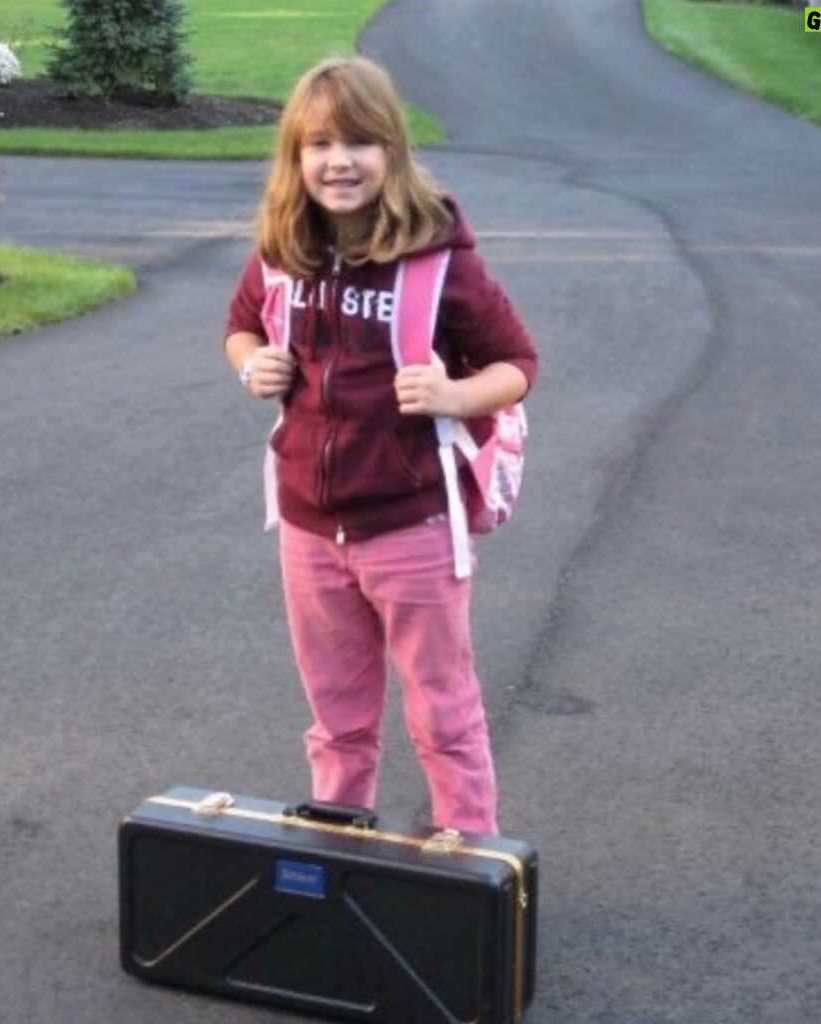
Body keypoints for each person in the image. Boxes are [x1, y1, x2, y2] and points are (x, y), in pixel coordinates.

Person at [223, 56, 537, 836]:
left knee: (443, 713)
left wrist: (455, 395)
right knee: (335, 716)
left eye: (359, 142)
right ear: (295, 157)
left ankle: (470, 865)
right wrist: (249, 363)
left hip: (412, 529)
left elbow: (518, 364)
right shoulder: (282, 247)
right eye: (318, 143)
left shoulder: (438, 257)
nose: (338, 161)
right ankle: (339, 851)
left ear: (391, 150)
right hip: (308, 528)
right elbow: (241, 327)